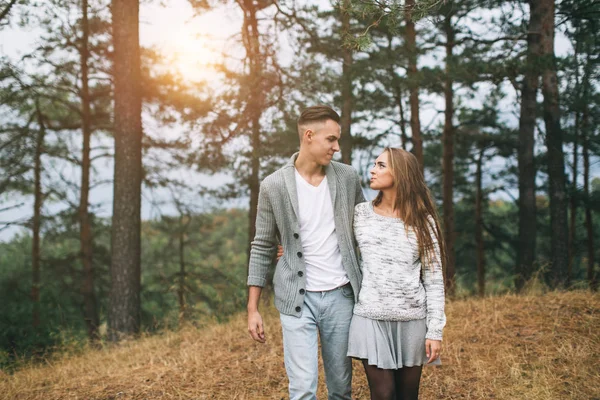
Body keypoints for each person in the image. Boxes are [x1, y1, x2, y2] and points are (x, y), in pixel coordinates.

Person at [247, 105, 366, 400]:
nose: (337, 148)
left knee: (341, 389)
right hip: (296, 299)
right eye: (331, 140)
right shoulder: (273, 185)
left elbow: (366, 229)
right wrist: (253, 309)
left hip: (342, 297)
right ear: (309, 136)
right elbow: (262, 245)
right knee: (302, 390)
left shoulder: (348, 177)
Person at [347, 147, 447, 400]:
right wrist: (291, 251)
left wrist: (435, 331)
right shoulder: (360, 214)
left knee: (407, 395)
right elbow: (334, 245)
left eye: (381, 165)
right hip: (371, 316)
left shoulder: (424, 221)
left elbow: (434, 279)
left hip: (411, 320)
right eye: (374, 164)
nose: (372, 170)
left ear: (400, 173)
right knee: (383, 394)